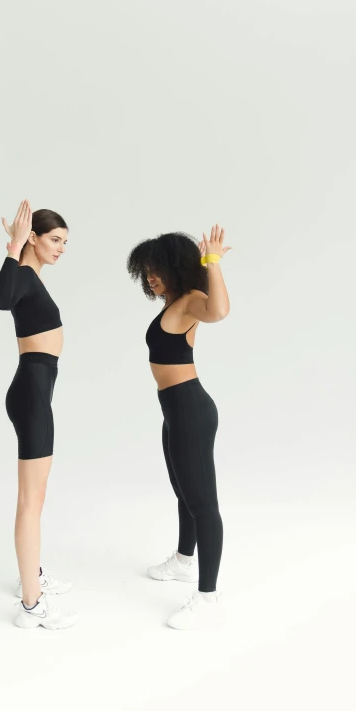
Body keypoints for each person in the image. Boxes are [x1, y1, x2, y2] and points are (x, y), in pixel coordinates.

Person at [127, 225, 231, 630]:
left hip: (190, 408)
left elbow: (220, 311)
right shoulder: (172, 303)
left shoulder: (191, 301)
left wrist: (213, 262)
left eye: (158, 269)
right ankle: (185, 562)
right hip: (174, 408)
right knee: (183, 491)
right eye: (147, 271)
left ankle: (208, 594)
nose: (151, 278)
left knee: (203, 503)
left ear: (178, 268)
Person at [0, 200, 77, 630]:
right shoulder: (23, 276)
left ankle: (32, 576)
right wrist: (13, 246)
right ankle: (31, 606)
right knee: (30, 501)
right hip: (31, 392)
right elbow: (0, 299)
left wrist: (20, 249)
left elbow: (17, 288)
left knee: (36, 498)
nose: (62, 248)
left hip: (35, 390)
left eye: (65, 242)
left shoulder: (33, 277)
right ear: (34, 238)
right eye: (55, 240)